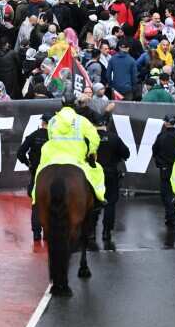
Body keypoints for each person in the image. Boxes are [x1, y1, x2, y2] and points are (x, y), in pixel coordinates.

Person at [33, 96, 106, 206]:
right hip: (76, 158)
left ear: (62, 104)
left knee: (39, 172)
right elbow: (94, 139)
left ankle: (35, 198)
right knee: (97, 171)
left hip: (52, 157)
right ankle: (99, 197)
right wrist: (91, 151)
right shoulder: (82, 121)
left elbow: (50, 138)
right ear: (75, 104)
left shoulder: (52, 121)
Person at [85, 113, 131, 251]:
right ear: (106, 124)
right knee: (110, 203)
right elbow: (126, 153)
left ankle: (91, 232)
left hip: (94, 175)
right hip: (111, 173)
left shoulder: (89, 138)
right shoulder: (114, 138)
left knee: (93, 203)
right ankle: (106, 232)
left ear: (94, 124)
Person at [16, 112, 51, 240]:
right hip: (50, 173)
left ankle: (36, 232)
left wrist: (28, 163)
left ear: (42, 122)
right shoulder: (55, 138)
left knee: (36, 202)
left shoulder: (33, 136)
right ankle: (47, 231)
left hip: (36, 173)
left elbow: (20, 153)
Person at [152, 114, 175, 227]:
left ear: (165, 123)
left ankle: (171, 217)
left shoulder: (161, 136)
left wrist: (160, 162)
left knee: (167, 194)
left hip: (166, 170)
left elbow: (154, 151)